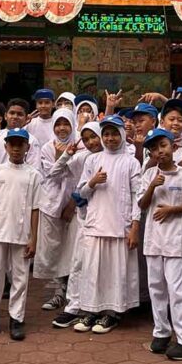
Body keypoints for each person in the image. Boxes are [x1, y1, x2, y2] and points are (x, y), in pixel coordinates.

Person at [75, 115, 143, 334]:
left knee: (115, 273)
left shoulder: (131, 162)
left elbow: (137, 197)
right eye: (106, 134)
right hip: (96, 224)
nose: (110, 138)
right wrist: (92, 182)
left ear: (122, 135)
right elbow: (81, 193)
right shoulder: (92, 161)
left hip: (119, 227)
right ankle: (91, 310)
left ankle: (111, 314)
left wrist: (134, 227)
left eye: (114, 133)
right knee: (94, 270)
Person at [139, 128, 182, 360]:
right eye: (154, 149)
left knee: (177, 289)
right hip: (154, 241)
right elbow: (142, 205)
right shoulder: (148, 176)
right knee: (156, 287)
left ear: (173, 147)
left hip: (177, 240)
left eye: (163, 146)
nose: (159, 151)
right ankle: (162, 332)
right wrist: (153, 186)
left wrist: (171, 210)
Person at [0, 128, 40, 341]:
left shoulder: (33, 175)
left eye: (20, 144)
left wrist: (33, 238)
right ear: (5, 146)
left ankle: (17, 318)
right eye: (11, 144)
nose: (15, 148)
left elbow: (35, 209)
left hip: (22, 234)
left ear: (27, 147)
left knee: (20, 277)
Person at [50, 121, 105, 329]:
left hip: (105, 218)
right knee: (78, 262)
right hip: (84, 217)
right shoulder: (82, 157)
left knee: (99, 264)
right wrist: (67, 154)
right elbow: (54, 173)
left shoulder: (116, 157)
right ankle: (73, 306)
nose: (92, 142)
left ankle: (94, 307)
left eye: (94, 137)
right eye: (87, 138)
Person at [36, 109, 78, 311]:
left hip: (75, 202)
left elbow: (79, 175)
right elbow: (50, 174)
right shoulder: (45, 147)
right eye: (58, 124)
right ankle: (58, 292)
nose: (62, 128)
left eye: (66, 123)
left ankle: (72, 293)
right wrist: (63, 156)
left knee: (72, 249)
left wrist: (73, 203)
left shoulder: (80, 144)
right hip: (51, 202)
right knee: (54, 249)